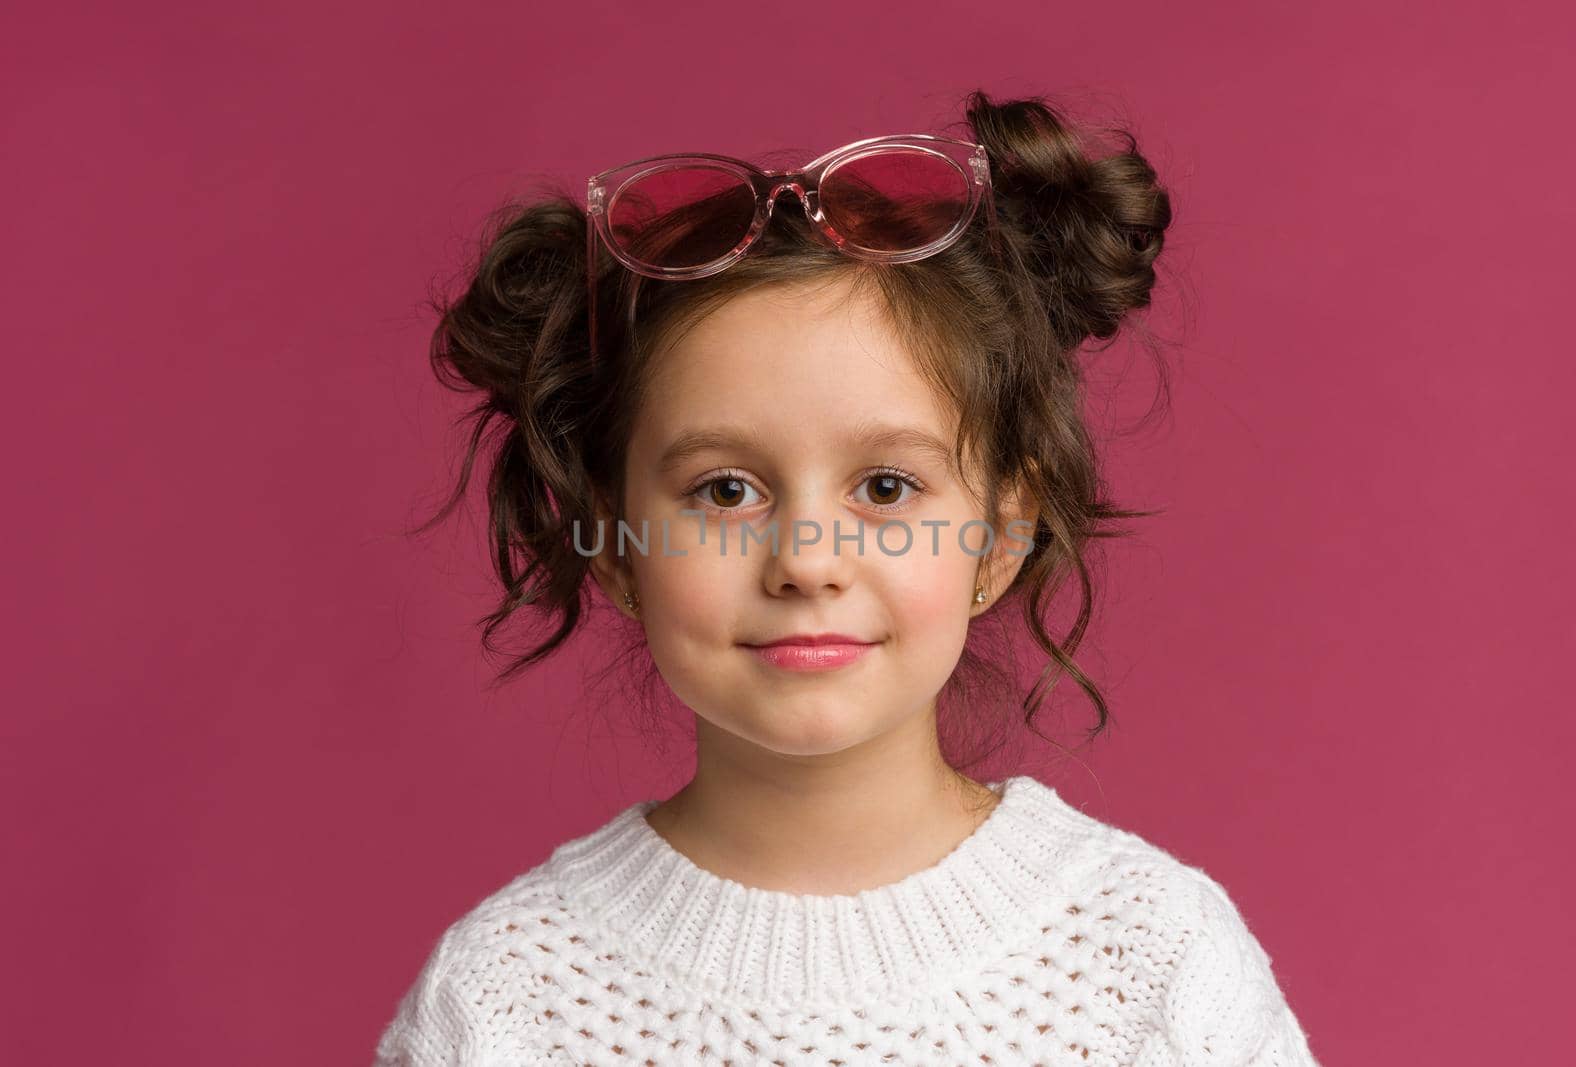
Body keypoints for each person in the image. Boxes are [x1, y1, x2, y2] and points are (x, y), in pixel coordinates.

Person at [374, 90, 1319, 1065]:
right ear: (615, 546)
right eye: (726, 488)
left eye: (884, 484)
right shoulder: (508, 998)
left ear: (998, 538)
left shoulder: (1150, 955)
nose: (808, 561)